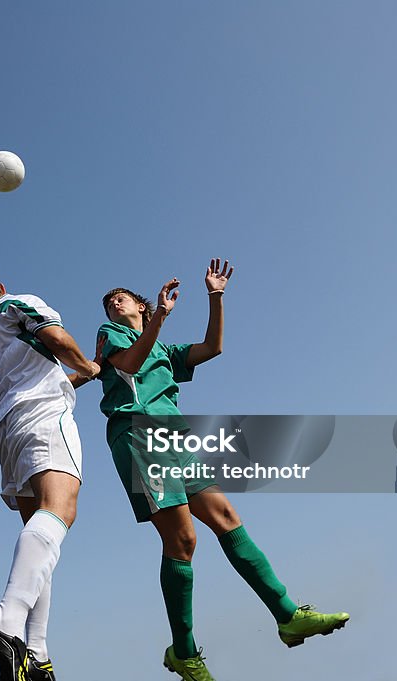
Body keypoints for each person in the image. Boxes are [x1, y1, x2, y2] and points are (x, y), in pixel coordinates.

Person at [89, 260, 348, 681]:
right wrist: (159, 317)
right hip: (137, 434)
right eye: (107, 304)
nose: (111, 304)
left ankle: (287, 616)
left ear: (137, 303)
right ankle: (184, 652)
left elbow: (213, 348)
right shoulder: (113, 335)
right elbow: (130, 365)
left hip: (175, 438)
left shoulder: (166, 351)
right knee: (183, 538)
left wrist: (216, 296)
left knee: (227, 518)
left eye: (119, 299)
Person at [0, 268, 100, 681]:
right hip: (41, 416)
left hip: (6, 428)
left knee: (40, 544)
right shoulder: (15, 302)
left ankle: (35, 652)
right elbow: (55, 339)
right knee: (60, 511)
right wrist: (87, 365)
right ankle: (6, 622)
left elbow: (32, 377)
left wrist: (77, 379)